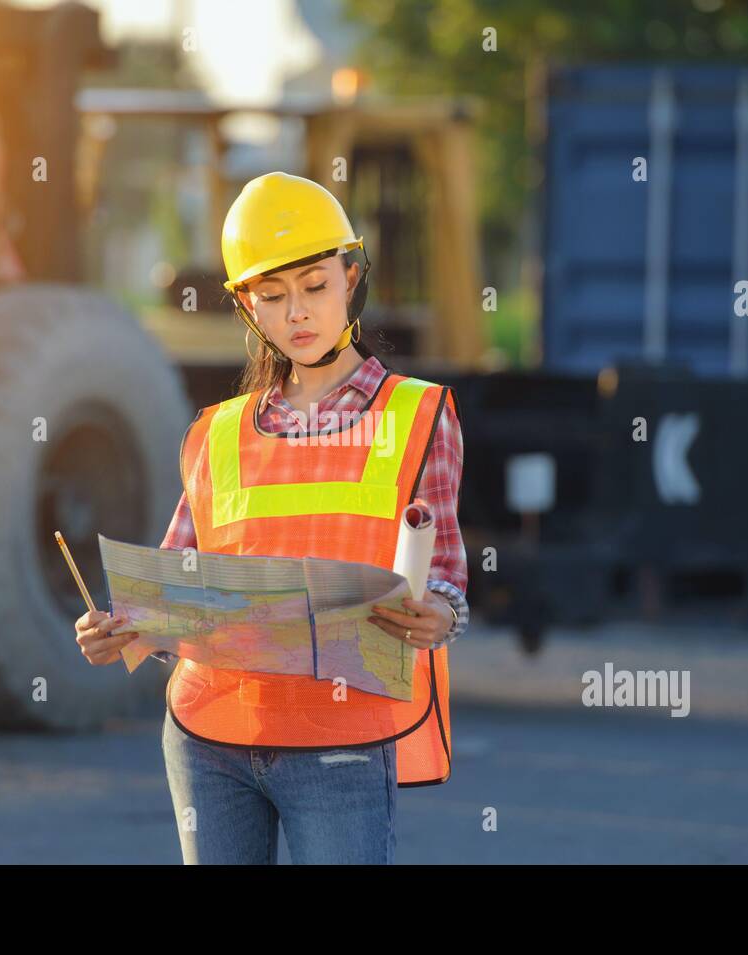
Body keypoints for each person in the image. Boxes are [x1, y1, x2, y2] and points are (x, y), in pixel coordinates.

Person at [74, 171, 469, 864]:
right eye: (273, 295)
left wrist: (441, 614)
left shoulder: (416, 415)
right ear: (246, 306)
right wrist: (122, 627)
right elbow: (181, 580)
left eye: (315, 285)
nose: (297, 314)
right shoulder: (217, 433)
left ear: (351, 277)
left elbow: (444, 576)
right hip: (208, 737)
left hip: (340, 739)